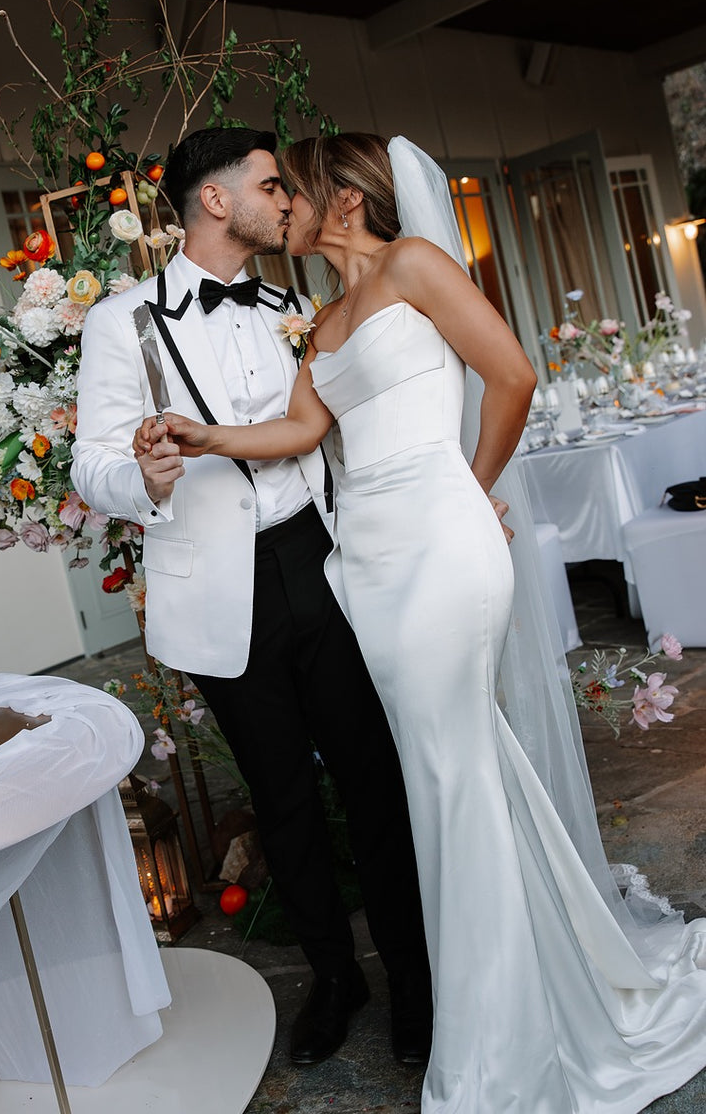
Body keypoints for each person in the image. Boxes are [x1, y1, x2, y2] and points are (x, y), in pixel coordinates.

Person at [135, 132, 706, 1112]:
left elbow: (512, 375)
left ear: (343, 203)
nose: (281, 205)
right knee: (449, 770)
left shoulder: (414, 265)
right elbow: (304, 432)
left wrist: (464, 488)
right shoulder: (319, 322)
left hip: (441, 543)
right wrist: (206, 435)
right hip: (369, 564)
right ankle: (514, 987)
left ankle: (498, 1035)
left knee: (449, 769)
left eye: (292, 188)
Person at [72, 127, 433, 1067]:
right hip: (216, 589)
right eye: (271, 186)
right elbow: (92, 463)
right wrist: (143, 477)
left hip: (321, 560)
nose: (288, 201)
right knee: (282, 799)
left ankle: (415, 979)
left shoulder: (296, 301)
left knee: (373, 778)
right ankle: (334, 976)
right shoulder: (124, 321)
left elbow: (336, 427)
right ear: (216, 201)